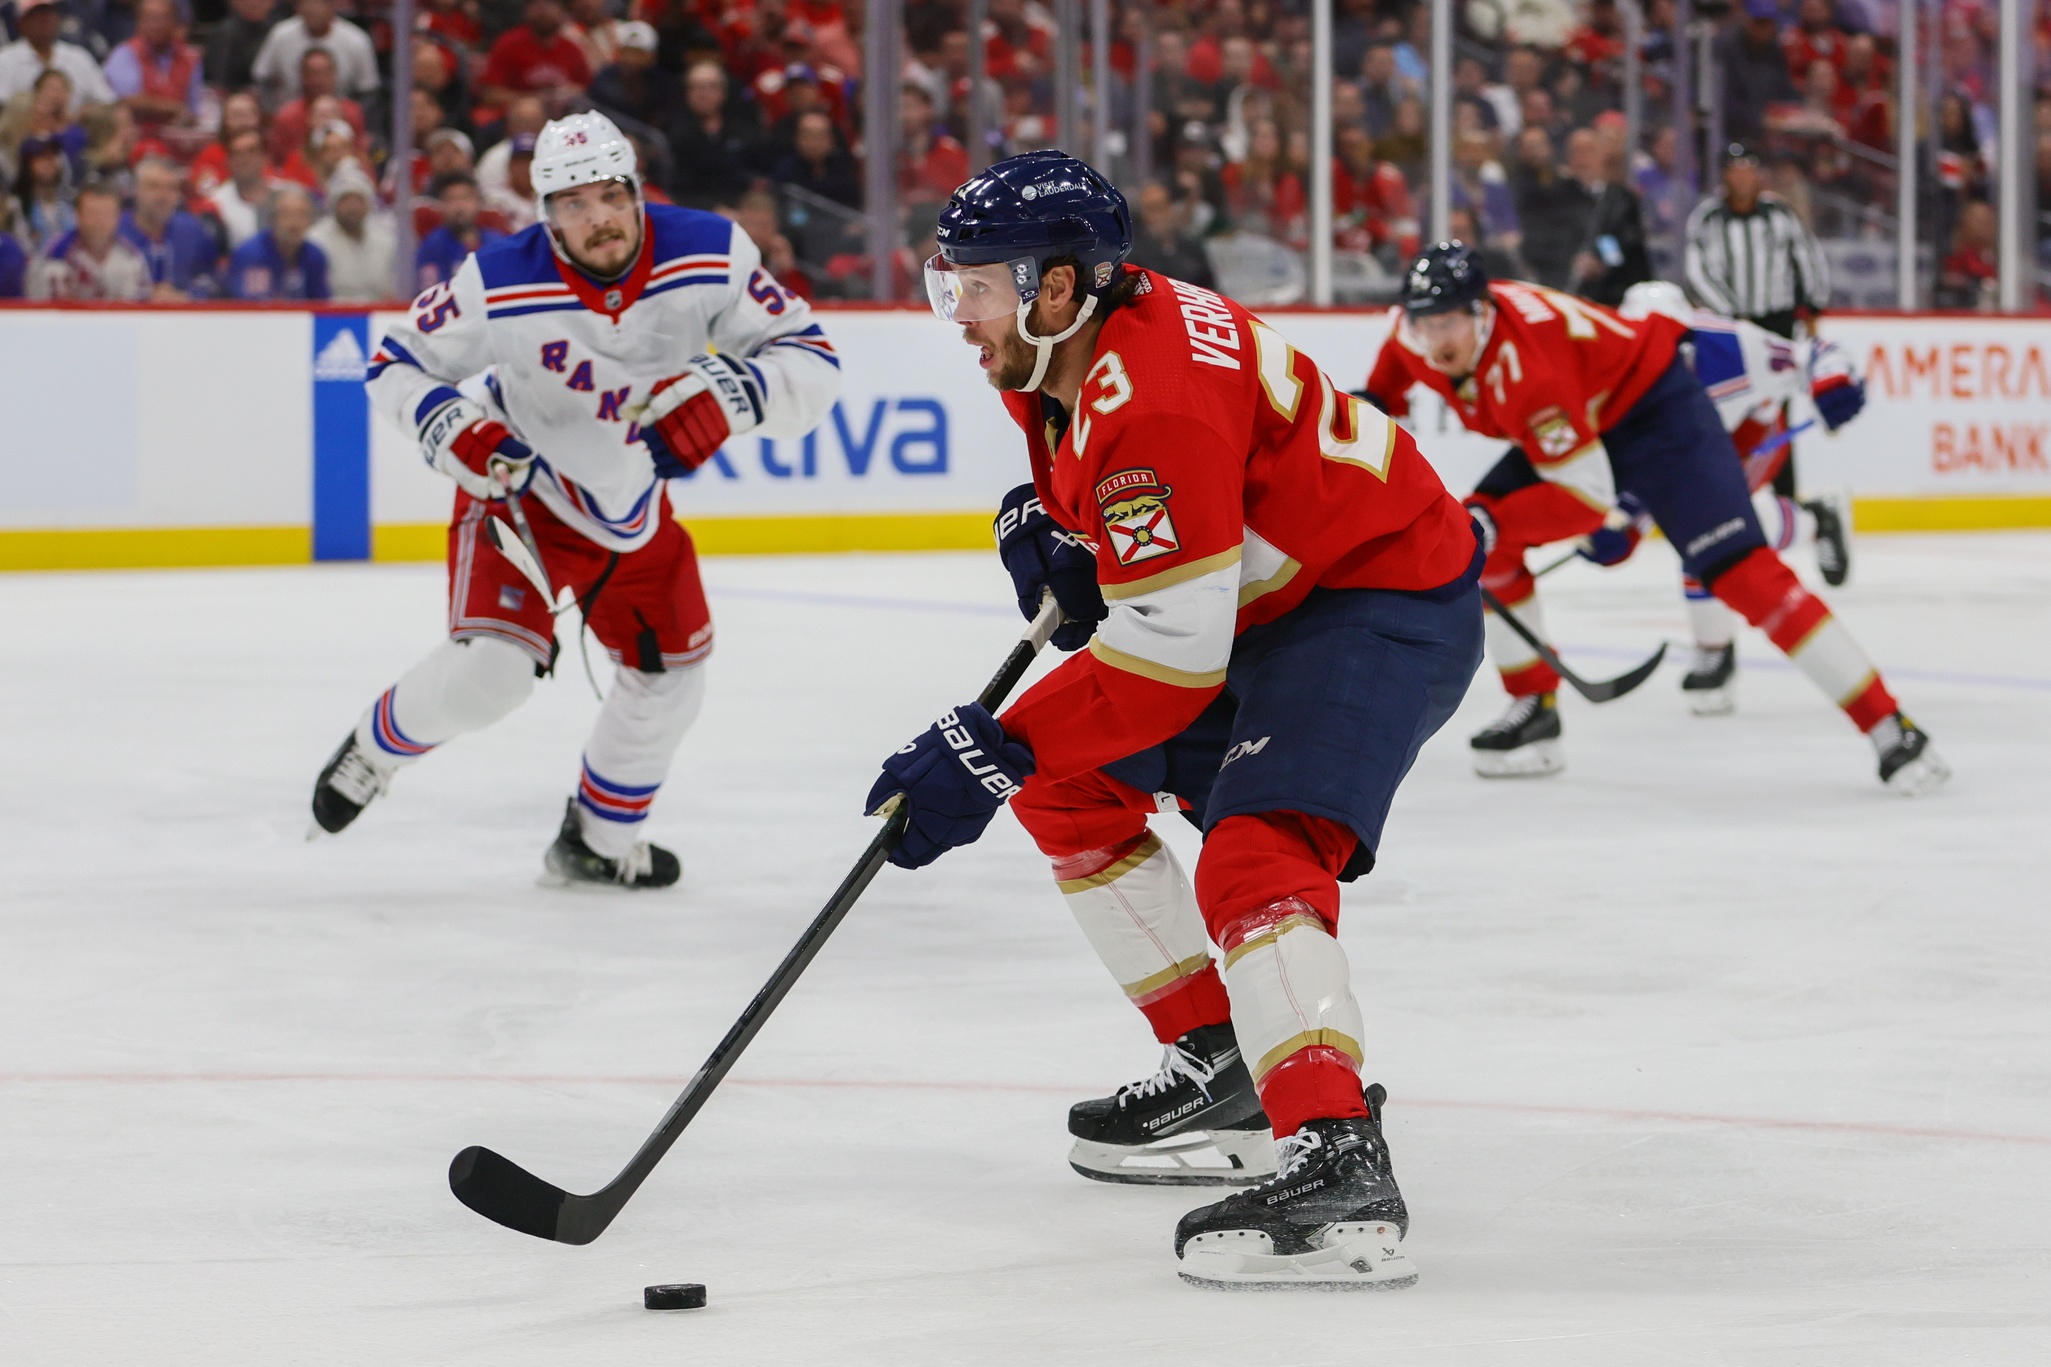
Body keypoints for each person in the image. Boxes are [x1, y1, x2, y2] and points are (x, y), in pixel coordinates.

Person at [873, 151, 1483, 1287]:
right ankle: (1221, 1060)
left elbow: (1164, 662)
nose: (960, 313)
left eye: (978, 287)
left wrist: (992, 743)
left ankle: (1335, 1149)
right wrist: (1051, 520)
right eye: (947, 282)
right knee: (1063, 786)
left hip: (1372, 601)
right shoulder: (1068, 338)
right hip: (1270, 599)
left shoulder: (1146, 394)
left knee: (1255, 855)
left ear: (1058, 285)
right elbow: (1123, 511)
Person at [311, 111, 840, 887]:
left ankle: (597, 837)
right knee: (493, 675)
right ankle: (375, 746)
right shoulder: (497, 277)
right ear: (544, 214)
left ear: (634, 191)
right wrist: (452, 426)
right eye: (571, 204)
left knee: (672, 672)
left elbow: (811, 359)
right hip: (521, 491)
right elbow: (395, 362)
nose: (596, 219)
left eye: (608, 196)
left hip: (632, 504)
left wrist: (735, 394)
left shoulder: (712, 252)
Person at [1362, 244, 1946, 794]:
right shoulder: (1417, 334)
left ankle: (1892, 727)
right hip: (1586, 420)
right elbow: (1395, 363)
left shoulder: (1533, 370)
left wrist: (1507, 521)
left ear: (1482, 313)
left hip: (1660, 417)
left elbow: (1587, 500)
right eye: (1425, 323)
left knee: (1744, 574)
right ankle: (1535, 710)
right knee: (1482, 536)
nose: (1434, 339)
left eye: (1447, 324)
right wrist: (1378, 402)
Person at [1618, 279, 1864, 707]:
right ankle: (1814, 520)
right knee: (1710, 529)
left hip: (1747, 436)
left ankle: (1715, 656)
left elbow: (1818, 354)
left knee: (1709, 531)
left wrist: (1833, 381)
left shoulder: (1734, 346)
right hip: (1688, 446)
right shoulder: (1615, 365)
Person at [1684, 142, 1831, 497]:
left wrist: (1813, 307)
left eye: (1748, 168)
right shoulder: (1707, 218)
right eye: (1734, 169)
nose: (1742, 176)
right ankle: (1724, 493)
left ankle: (1784, 495)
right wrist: (1732, 315)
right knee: (1725, 409)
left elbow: (1807, 258)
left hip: (1775, 325)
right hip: (1729, 329)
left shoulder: (1780, 214)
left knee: (1777, 411)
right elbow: (1698, 272)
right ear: (1724, 175)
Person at [27, 178, 151, 299]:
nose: (99, 222)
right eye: (92, 213)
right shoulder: (57, 252)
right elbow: (43, 306)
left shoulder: (130, 256)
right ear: (77, 216)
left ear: (117, 217)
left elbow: (142, 303)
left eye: (106, 214)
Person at [119, 155, 221, 298]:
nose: (163, 196)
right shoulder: (116, 231)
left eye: (171, 188)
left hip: (182, 318)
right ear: (135, 190)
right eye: (153, 186)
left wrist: (188, 295)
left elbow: (213, 279)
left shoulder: (193, 230)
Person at [250, 0, 380, 109]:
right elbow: (262, 77)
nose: (313, 9)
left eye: (319, 4)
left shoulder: (356, 40)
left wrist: (352, 117)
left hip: (340, 114)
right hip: (290, 110)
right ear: (298, 8)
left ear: (332, 7)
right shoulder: (281, 34)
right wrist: (273, 111)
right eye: (308, 5)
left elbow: (367, 90)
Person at [100, 0, 202, 138]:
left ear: (175, 22)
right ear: (138, 22)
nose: (155, 26)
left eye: (161, 19)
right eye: (148, 19)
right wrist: (172, 108)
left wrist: (187, 118)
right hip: (135, 137)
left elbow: (192, 111)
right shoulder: (125, 54)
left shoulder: (190, 58)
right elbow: (126, 100)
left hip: (177, 140)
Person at [0, 0, 118, 113]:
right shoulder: (5, 60)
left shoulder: (78, 56)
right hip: (23, 130)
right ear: (21, 22)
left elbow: (108, 101)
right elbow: (3, 106)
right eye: (37, 15)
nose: (44, 19)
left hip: (74, 128)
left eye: (49, 13)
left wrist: (86, 112)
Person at [477, 0, 591, 115]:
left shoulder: (571, 49)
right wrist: (536, 99)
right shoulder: (509, 43)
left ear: (563, 13)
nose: (542, 10)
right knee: (529, 111)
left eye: (549, 5)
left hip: (563, 114)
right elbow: (490, 94)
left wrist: (572, 92)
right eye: (536, 5)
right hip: (515, 114)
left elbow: (585, 89)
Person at [307, 160, 393, 300]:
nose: (352, 207)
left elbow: (392, 292)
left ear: (368, 205)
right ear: (333, 204)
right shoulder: (316, 240)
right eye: (345, 199)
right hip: (331, 315)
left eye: (358, 200)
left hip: (378, 315)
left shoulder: (386, 240)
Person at [225, 182, 328, 299]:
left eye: (302, 214)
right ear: (273, 219)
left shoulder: (315, 256)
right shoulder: (250, 256)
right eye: (286, 214)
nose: (295, 223)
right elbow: (251, 309)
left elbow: (321, 306)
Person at [415, 168, 503, 289]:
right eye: (451, 199)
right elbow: (428, 292)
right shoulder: (433, 245)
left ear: (478, 202)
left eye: (465, 198)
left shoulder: (496, 243)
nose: (459, 206)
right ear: (441, 205)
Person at [204, 126, 278, 247]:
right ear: (228, 161)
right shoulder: (216, 204)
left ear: (265, 157)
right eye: (237, 154)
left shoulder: (288, 194)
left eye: (251, 151)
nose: (244, 159)